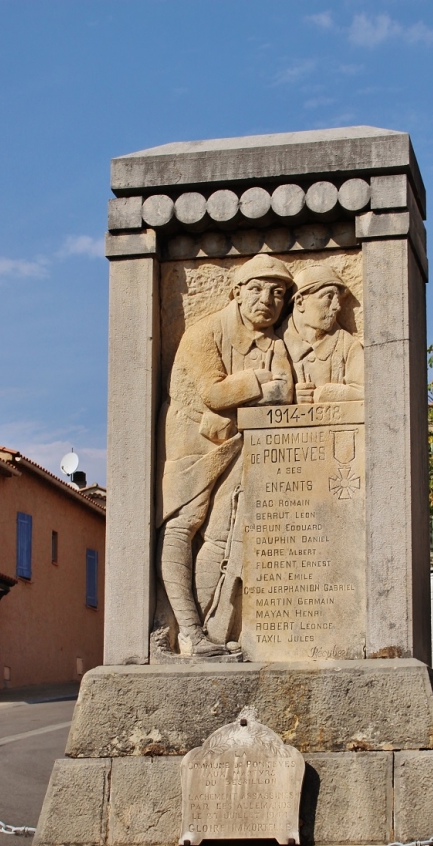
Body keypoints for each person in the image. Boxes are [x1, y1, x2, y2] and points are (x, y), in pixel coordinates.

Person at [157, 254, 294, 656]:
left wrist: (257, 388)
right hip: (191, 437)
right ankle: (186, 630)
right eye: (255, 289)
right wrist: (260, 382)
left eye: (278, 293)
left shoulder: (274, 343)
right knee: (184, 524)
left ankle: (205, 632)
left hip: (236, 438)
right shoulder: (204, 333)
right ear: (235, 293)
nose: (266, 300)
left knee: (221, 529)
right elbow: (213, 393)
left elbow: (285, 392)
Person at [279, 263, 364, 403]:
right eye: (328, 297)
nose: (337, 307)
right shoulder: (275, 342)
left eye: (337, 299)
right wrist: (288, 396)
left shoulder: (347, 345)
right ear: (300, 302)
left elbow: (369, 390)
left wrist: (325, 394)